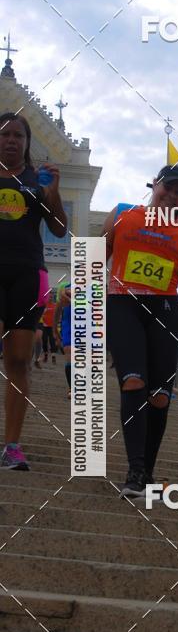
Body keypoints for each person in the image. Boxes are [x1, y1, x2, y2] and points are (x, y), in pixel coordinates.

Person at [103, 164, 178, 498]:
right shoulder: (122, 214)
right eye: (167, 188)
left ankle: (148, 473)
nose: (171, 196)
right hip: (123, 306)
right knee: (133, 381)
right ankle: (135, 469)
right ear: (154, 185)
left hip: (165, 310)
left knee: (159, 396)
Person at [0, 112, 67, 469]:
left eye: (18, 136)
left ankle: (12, 446)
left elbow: (58, 229)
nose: (11, 140)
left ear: (27, 144)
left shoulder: (35, 182)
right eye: (5, 134)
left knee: (18, 361)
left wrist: (53, 193)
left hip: (27, 275)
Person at [53, 281, 72, 396]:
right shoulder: (65, 287)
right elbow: (58, 309)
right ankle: (72, 388)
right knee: (69, 354)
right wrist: (55, 329)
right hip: (68, 325)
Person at [41, 296, 57, 363]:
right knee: (44, 341)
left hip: (52, 327)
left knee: (52, 341)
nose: (50, 298)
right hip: (44, 326)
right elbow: (40, 314)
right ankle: (46, 355)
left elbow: (58, 315)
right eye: (49, 297)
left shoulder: (55, 305)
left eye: (51, 297)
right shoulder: (44, 306)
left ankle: (53, 357)